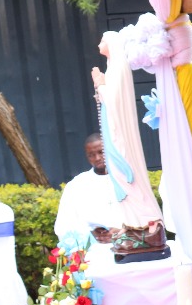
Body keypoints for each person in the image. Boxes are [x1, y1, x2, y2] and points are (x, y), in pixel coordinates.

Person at [92, 30, 169, 260]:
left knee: (127, 179)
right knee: (120, 179)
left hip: (120, 138)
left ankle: (148, 223)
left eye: (103, 40)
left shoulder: (118, 68)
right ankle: (134, 225)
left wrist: (101, 84)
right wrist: (100, 86)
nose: (99, 44)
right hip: (112, 132)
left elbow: (114, 101)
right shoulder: (112, 68)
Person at [54, 134, 125, 242]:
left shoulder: (127, 179)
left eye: (101, 152)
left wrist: (122, 231)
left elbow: (143, 219)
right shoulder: (76, 185)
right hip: (92, 248)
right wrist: (91, 234)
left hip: (127, 246)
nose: (97, 158)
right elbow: (63, 226)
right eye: (91, 155)